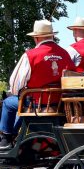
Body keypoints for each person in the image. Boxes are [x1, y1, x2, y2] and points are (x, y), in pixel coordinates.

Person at [0, 20, 75, 150]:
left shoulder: (30, 55)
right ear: (52, 35)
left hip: (36, 105)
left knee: (8, 103)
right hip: (60, 105)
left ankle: (6, 139)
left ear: (36, 37)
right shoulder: (65, 54)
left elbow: (14, 85)